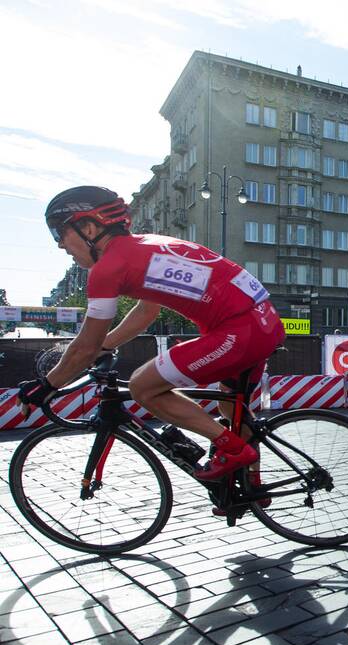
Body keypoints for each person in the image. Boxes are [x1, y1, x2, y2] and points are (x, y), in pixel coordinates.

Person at [17, 186, 286, 513]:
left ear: (88, 228)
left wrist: (46, 386)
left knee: (144, 386)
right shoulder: (147, 248)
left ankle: (233, 451)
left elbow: (84, 348)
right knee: (233, 409)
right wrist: (108, 344)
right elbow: (146, 311)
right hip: (264, 322)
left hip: (239, 330)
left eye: (60, 233)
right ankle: (251, 488)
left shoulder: (108, 268)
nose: (60, 245)